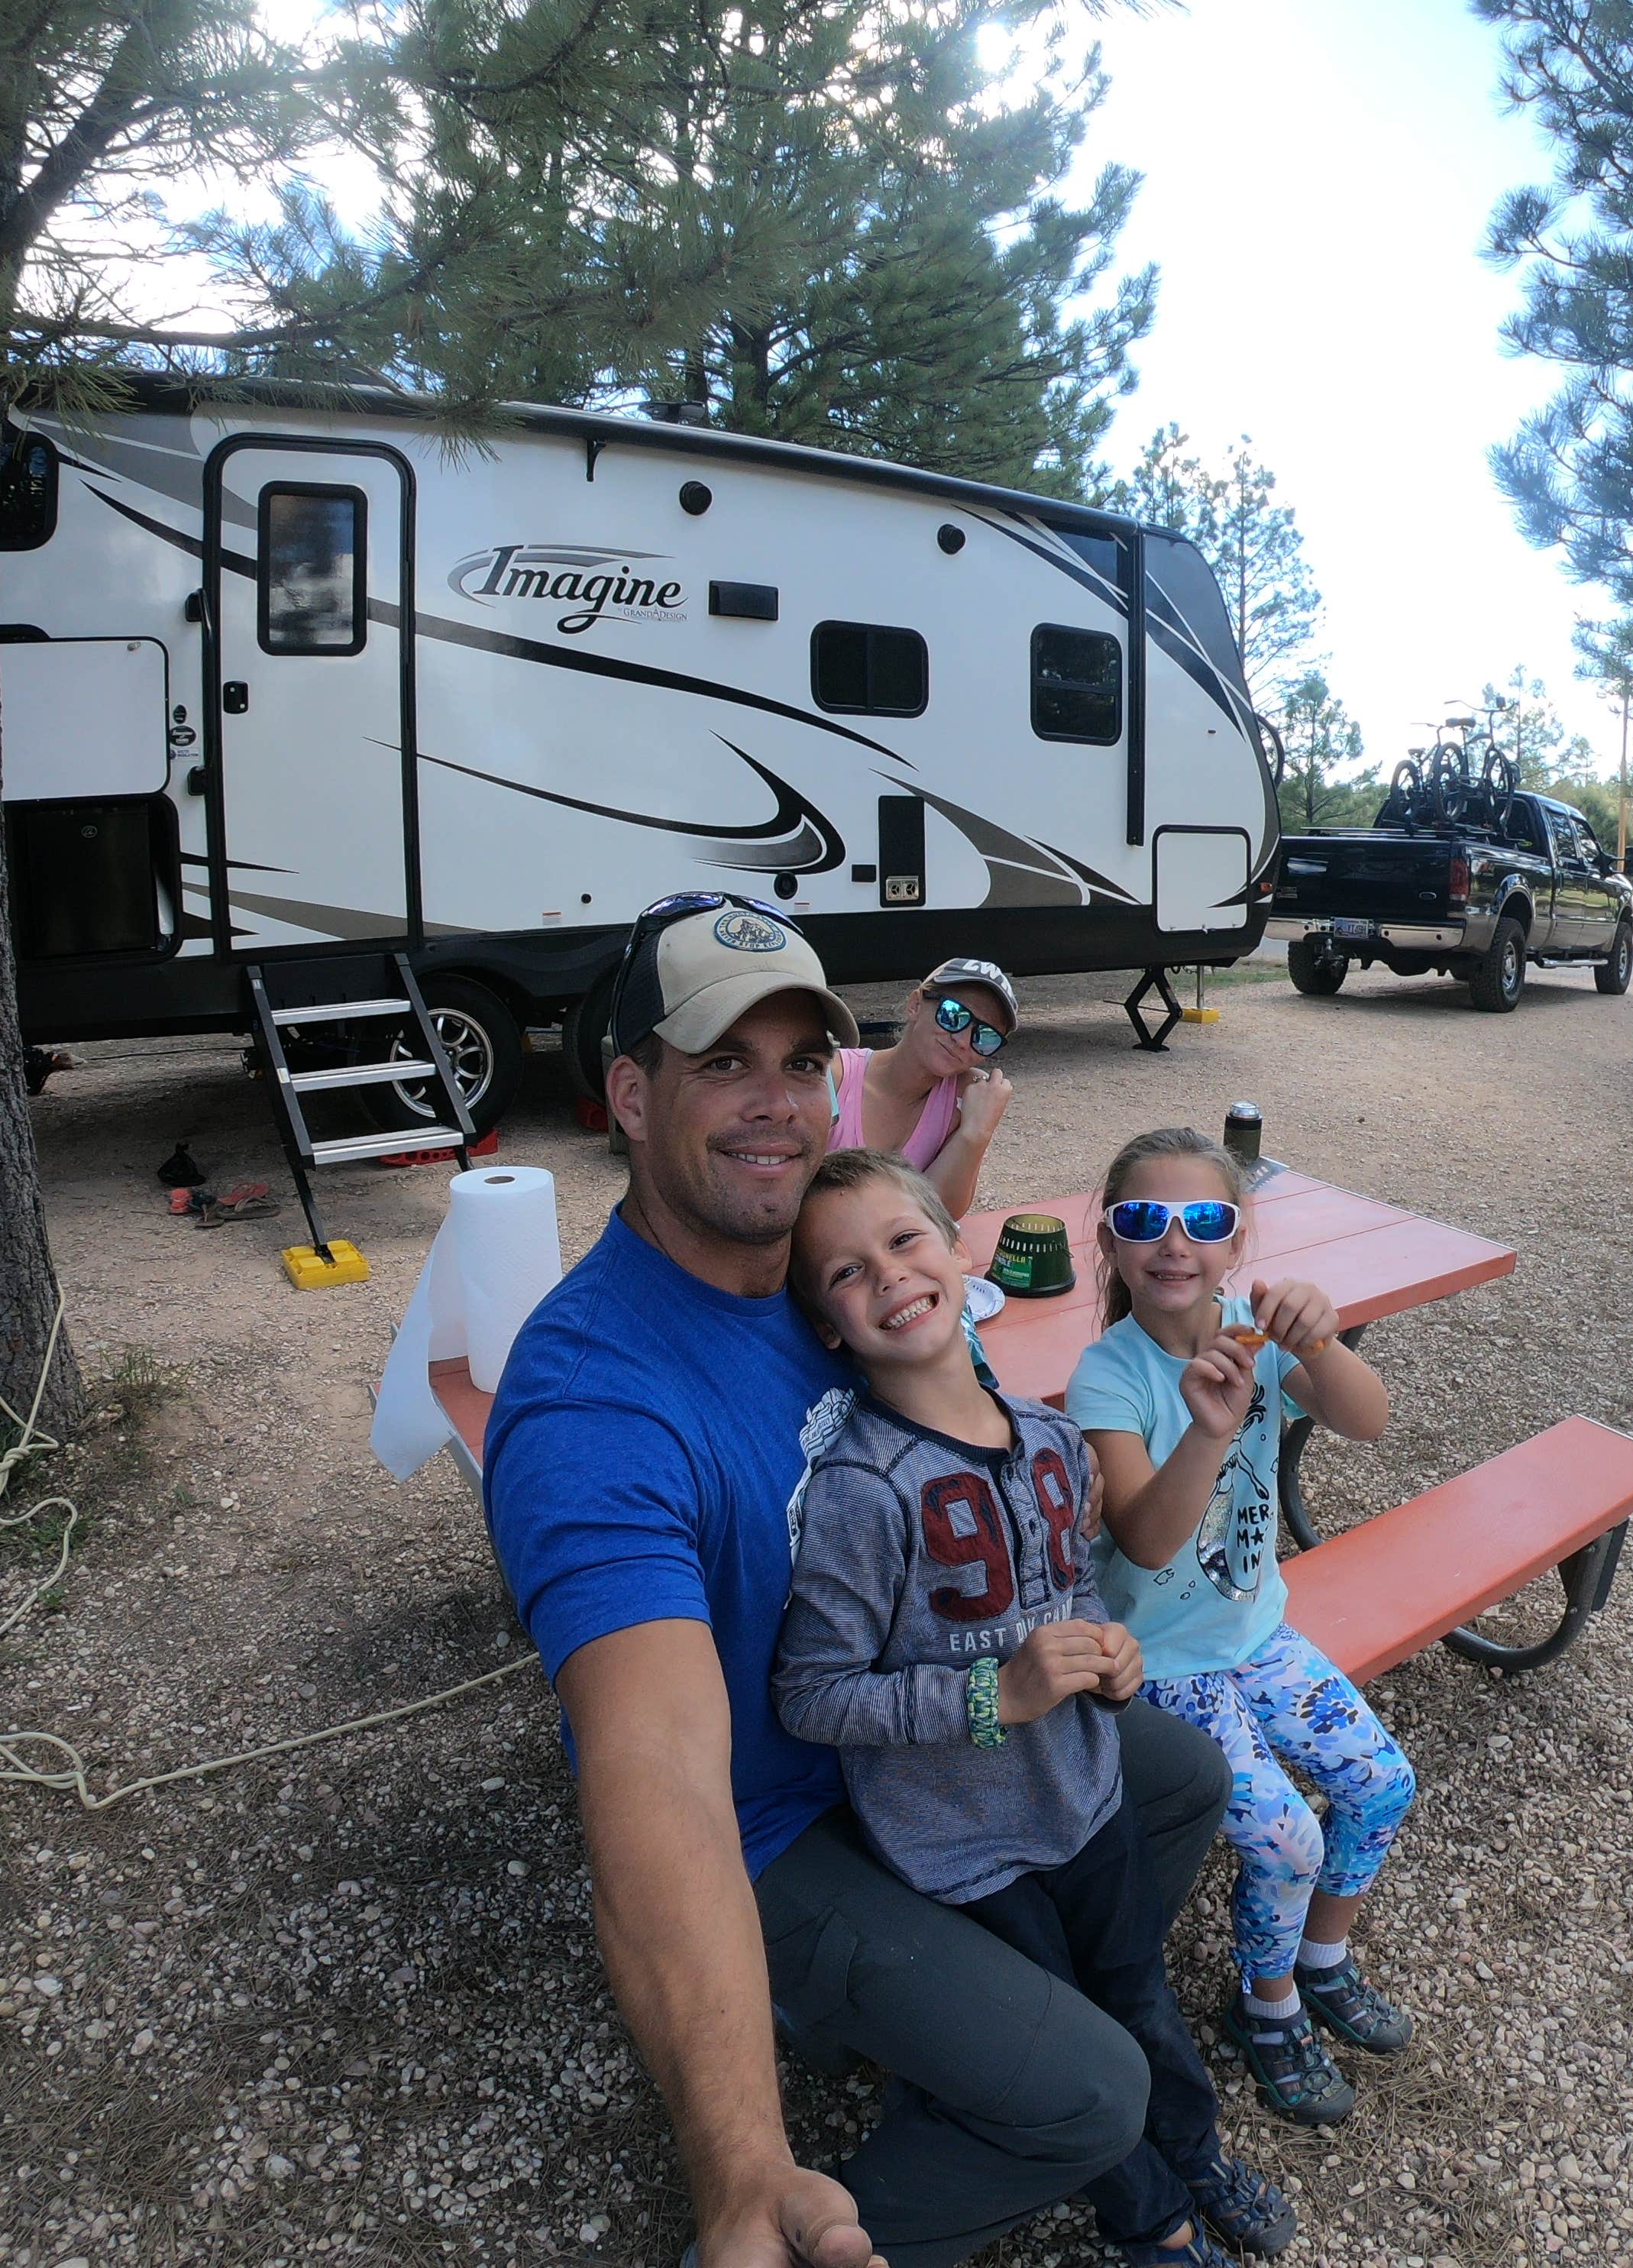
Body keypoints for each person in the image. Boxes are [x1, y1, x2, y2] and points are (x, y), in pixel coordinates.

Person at [480, 897, 1231, 2268]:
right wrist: (744, 2167)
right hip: (784, 1822)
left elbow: (999, 1489)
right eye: (723, 1062)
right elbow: (650, 1770)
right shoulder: (593, 1395)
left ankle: (994, 2000)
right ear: (631, 1093)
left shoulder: (831, 1286)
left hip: (925, 1741)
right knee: (1087, 2093)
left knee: (1177, 1777)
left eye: (800, 1063)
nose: (775, 1105)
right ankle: (823, 2217)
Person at [770, 1150, 1293, 2268]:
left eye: (905, 1243)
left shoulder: (1051, 1441)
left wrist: (1112, 1655)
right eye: (848, 1273)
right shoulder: (860, 1492)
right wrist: (992, 1693)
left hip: (1085, 1792)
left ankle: (1194, 2153)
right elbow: (813, 1696)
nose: (890, 1277)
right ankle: (1153, 2219)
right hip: (964, 1845)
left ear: (959, 1255)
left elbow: (1066, 1595)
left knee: (1138, 1993)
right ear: (826, 1324)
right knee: (1071, 2032)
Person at [1066, 1126, 1418, 2130]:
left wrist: (1318, 1341)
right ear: (1112, 1240)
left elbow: (1369, 1420)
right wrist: (1209, 1427)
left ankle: (1322, 1962)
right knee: (1288, 1841)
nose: (1173, 1242)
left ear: (1237, 1239)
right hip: (1164, 1665)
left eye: (1203, 1220)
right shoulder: (1110, 1375)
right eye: (1144, 1219)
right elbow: (1140, 1539)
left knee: (1383, 1782)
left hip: (1256, 1632)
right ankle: (1267, 2011)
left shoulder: (1254, 1333)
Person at [829, 959, 1017, 1218]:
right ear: (915, 1004)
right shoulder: (835, 1077)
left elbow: (942, 1213)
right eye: (953, 1015)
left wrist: (976, 1133)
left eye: (985, 1036)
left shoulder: (966, 1096)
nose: (963, 1041)